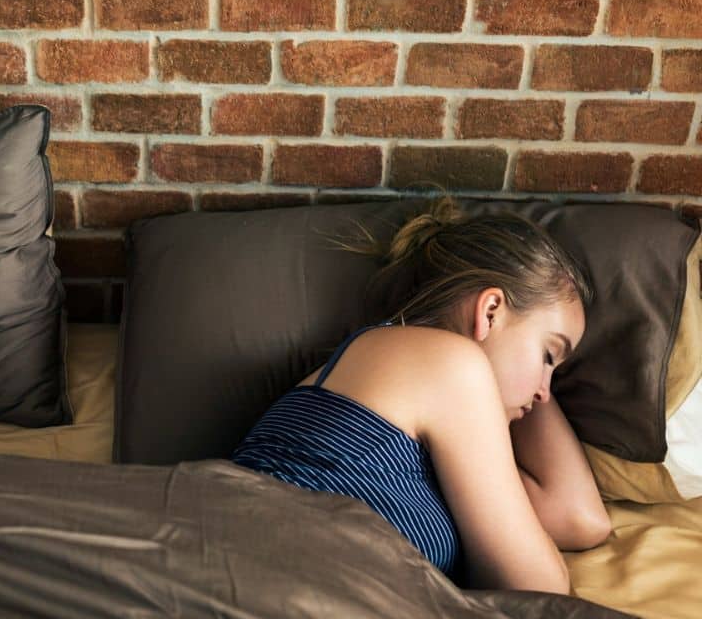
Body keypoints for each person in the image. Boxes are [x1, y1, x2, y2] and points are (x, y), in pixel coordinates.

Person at [231, 197, 611, 594]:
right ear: (491, 310)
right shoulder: (448, 364)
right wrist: (503, 373)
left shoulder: (427, 416)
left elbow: (581, 519)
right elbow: (541, 589)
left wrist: (520, 378)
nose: (545, 394)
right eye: (549, 354)